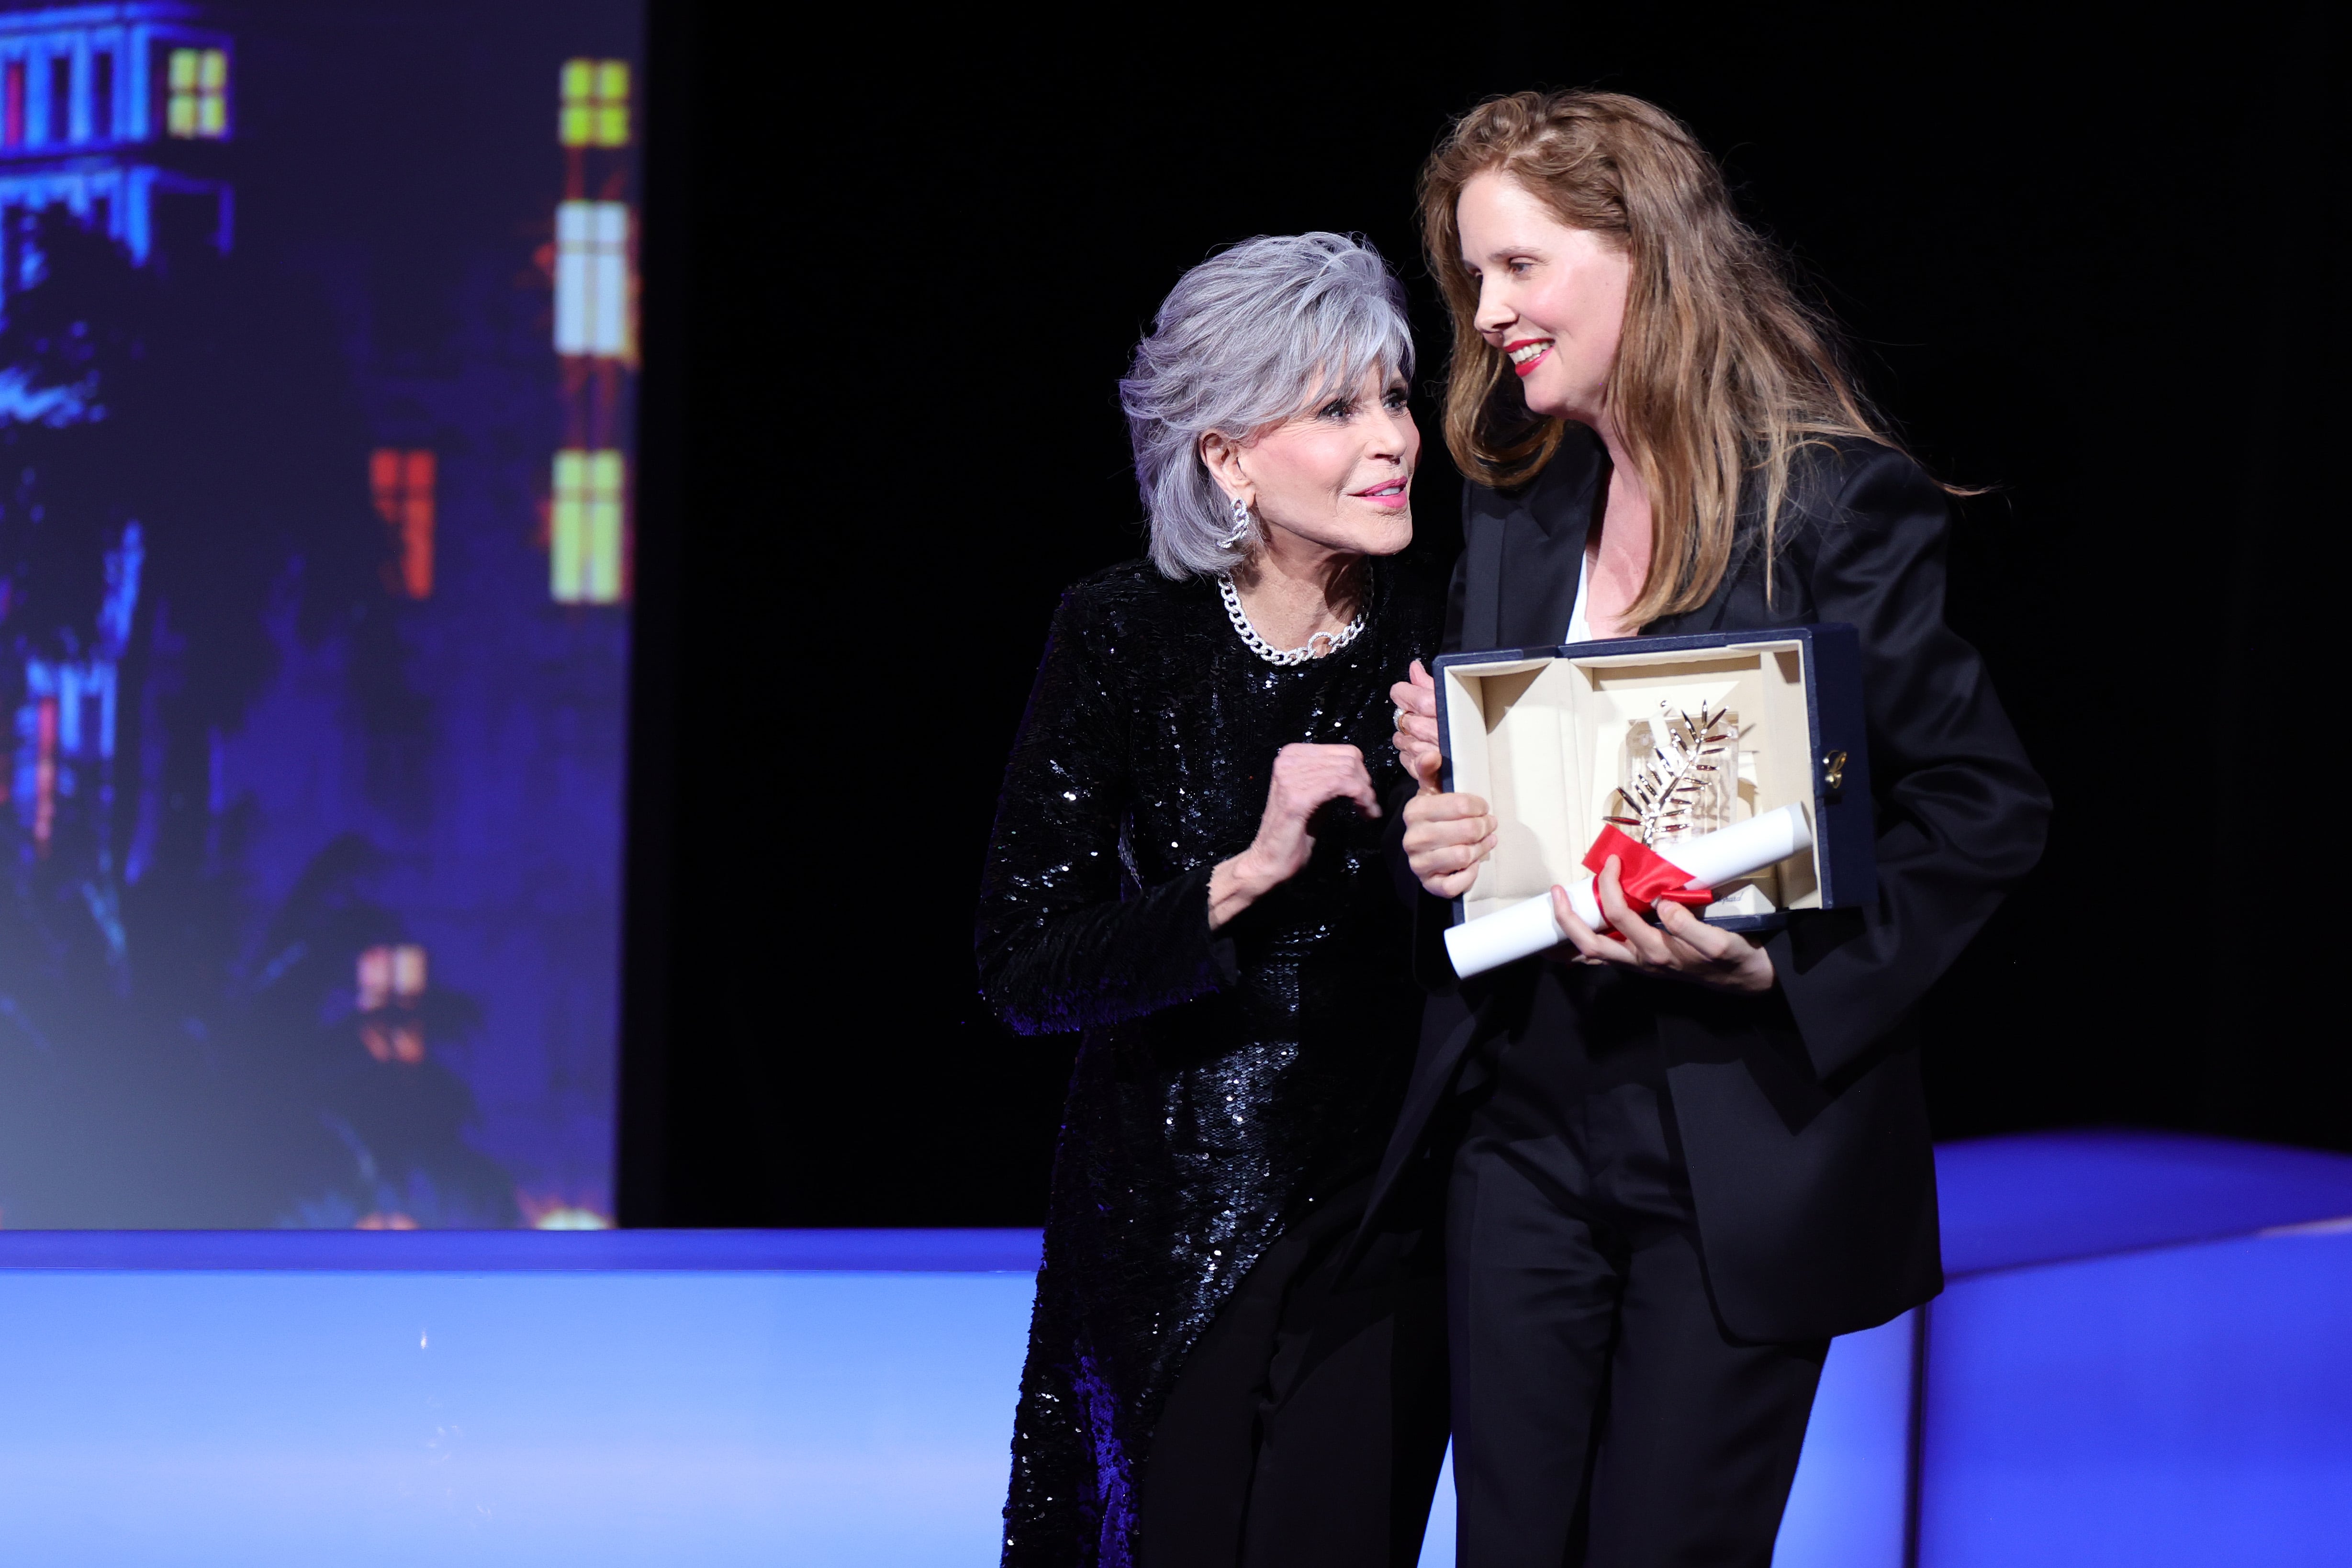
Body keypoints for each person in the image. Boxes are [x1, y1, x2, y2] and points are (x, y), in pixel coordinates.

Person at [1378, 91, 2050, 1566]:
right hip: (1523, 1128)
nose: (1488, 313)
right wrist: (1449, 825)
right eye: (1472, 277)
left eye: (1519, 267)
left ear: (1644, 254)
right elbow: (1509, 822)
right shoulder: (1520, 505)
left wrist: (1784, 974)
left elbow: (1983, 803)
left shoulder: (1830, 504)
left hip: (1735, 1139)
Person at [978, 232, 1450, 1568]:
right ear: (1226, 456)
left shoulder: (1456, 631)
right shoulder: (1122, 631)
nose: (1392, 440)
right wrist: (1246, 869)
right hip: (1170, 1214)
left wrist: (1454, 808)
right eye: (1337, 408)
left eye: (1394, 397)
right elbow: (1025, 968)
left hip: (1387, 1212)